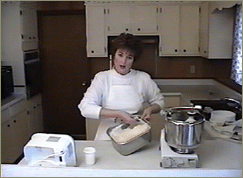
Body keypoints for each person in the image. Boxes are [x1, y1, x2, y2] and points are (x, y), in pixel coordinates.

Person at [78, 33, 164, 140]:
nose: (123, 61)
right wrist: (118, 114)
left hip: (135, 133)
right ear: (113, 55)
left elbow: (159, 102)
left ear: (133, 60)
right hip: (106, 135)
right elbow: (85, 108)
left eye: (129, 57)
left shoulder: (143, 78)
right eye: (120, 55)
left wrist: (150, 109)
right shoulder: (102, 78)